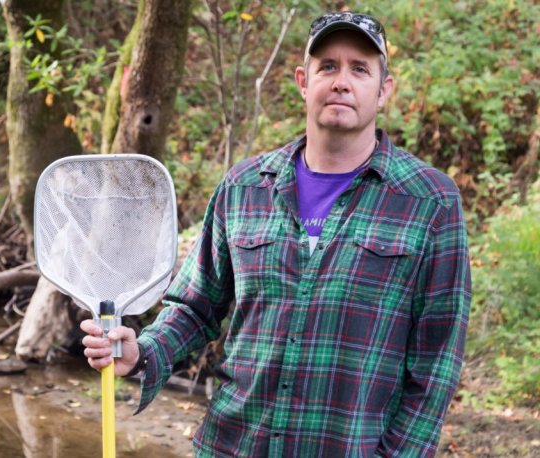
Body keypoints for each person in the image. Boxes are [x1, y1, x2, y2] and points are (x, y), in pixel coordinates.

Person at [82, 11, 471, 457]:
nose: (341, 81)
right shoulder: (244, 186)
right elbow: (194, 307)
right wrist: (142, 353)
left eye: (359, 69)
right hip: (232, 445)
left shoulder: (429, 201)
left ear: (384, 90)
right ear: (304, 82)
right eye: (327, 66)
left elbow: (435, 366)